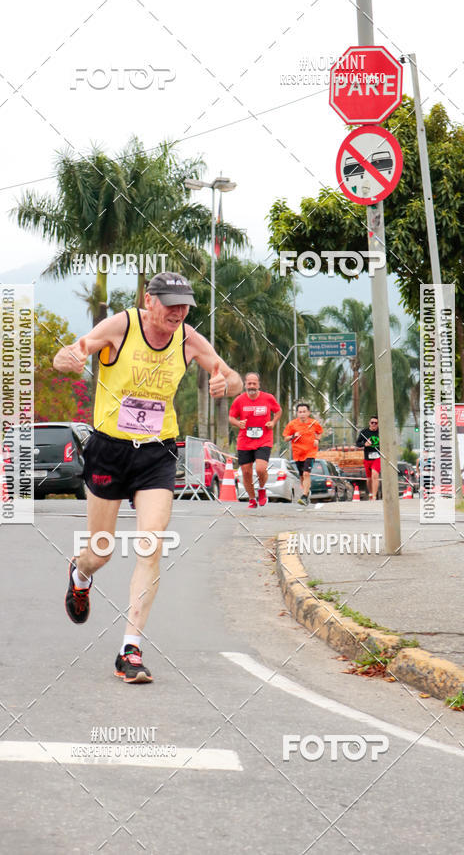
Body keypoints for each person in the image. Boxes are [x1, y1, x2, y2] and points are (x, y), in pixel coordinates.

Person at [53, 272, 242, 684]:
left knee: (150, 544)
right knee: (100, 551)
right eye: (171, 303)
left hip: (157, 453)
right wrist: (67, 357)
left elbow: (233, 376)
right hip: (109, 449)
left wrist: (224, 380)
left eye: (185, 305)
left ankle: (130, 649)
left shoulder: (189, 338)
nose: (179, 312)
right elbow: (75, 351)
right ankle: (80, 575)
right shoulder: (121, 326)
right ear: (149, 300)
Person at [228, 372, 281, 508]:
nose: (251, 386)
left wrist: (273, 422)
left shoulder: (268, 398)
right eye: (249, 383)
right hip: (245, 441)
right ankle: (252, 498)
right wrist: (238, 423)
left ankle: (262, 489)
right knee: (246, 471)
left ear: (258, 385)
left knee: (260, 469)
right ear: (245, 384)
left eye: (254, 383)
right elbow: (231, 417)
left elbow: (278, 411)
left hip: (264, 439)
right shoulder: (239, 400)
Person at [283, 403, 323, 506]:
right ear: (297, 413)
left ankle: (304, 496)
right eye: (300, 412)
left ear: (308, 413)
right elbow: (285, 438)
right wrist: (293, 436)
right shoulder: (292, 424)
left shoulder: (314, 423)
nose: (302, 414)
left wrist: (317, 440)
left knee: (306, 473)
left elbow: (320, 432)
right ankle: (307, 491)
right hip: (298, 454)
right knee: (301, 476)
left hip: (310, 452)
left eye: (304, 412)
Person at [356, 416, 380, 500]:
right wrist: (364, 444)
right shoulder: (364, 432)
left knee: (375, 474)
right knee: (369, 479)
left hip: (377, 457)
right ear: (369, 423)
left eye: (375, 423)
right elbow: (358, 443)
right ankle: (370, 493)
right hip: (367, 457)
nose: (374, 424)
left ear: (378, 424)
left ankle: (374, 496)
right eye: (372, 422)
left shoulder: (381, 432)